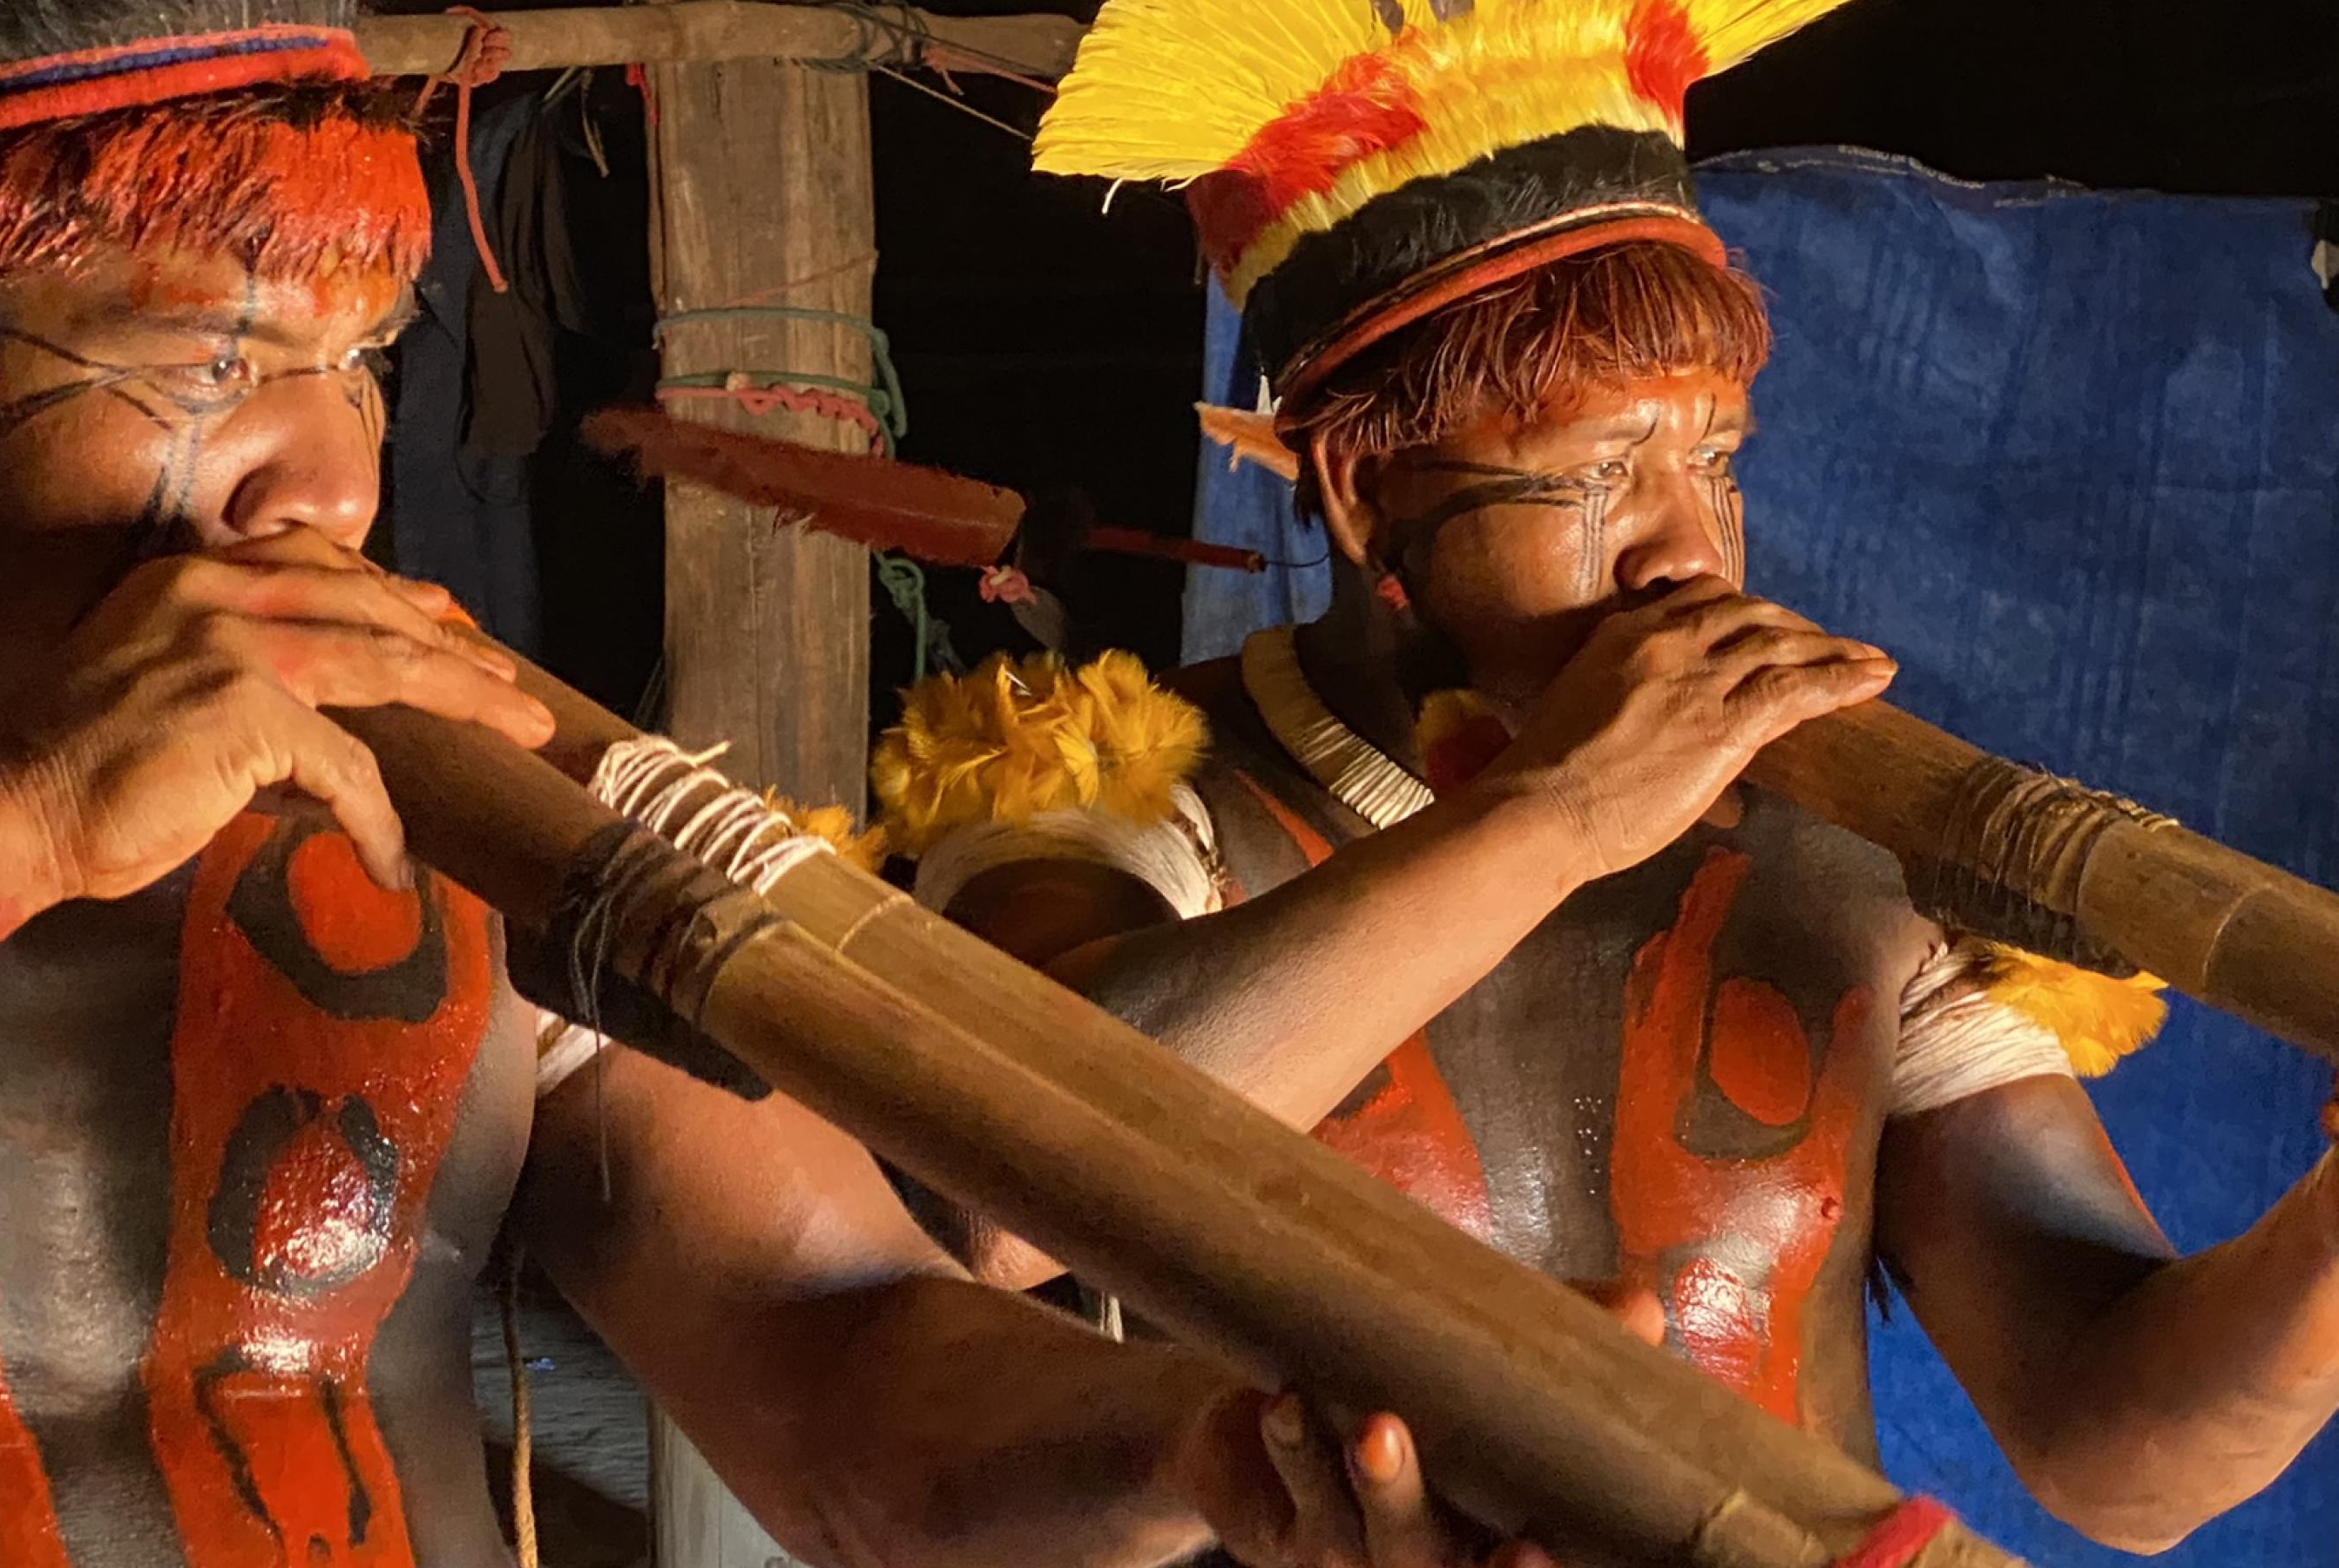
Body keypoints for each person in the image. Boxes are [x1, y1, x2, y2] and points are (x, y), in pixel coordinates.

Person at [0, 4, 1437, 1564]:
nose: (334, 488)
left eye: (362, 365)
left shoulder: (450, 808)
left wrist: (1207, 1447)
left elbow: (833, 1347)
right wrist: (25, 810)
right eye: (224, 366)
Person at [876, 0, 2339, 1555]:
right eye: (1597, 476)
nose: (1691, 549)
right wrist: (1564, 814)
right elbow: (1001, 1199)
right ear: (1372, 499)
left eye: (1713, 462)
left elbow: (2117, 1457)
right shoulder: (1117, 792)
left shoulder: (1843, 861)